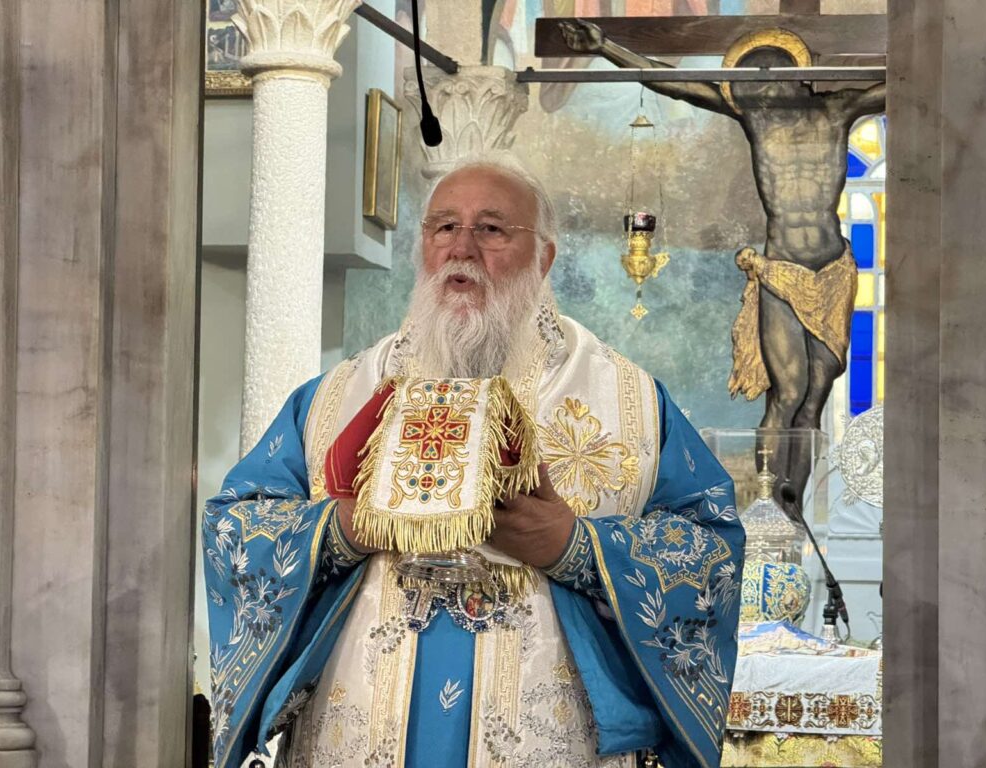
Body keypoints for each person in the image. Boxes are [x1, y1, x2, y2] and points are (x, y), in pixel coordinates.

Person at [203, 156, 745, 768]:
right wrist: (345, 528)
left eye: (491, 229)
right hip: (356, 734)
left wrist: (576, 547)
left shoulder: (629, 401)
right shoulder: (337, 396)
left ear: (543, 258)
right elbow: (235, 528)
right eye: (444, 227)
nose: (461, 249)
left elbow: (711, 552)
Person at [560, 20, 886, 514]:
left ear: (794, 73)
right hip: (779, 268)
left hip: (833, 273)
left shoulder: (836, 108)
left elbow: (902, 84)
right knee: (787, 391)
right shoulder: (756, 116)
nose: (759, 88)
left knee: (814, 398)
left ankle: (792, 513)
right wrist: (605, 46)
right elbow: (672, 82)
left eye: (767, 76)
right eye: (750, 80)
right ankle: (766, 506)